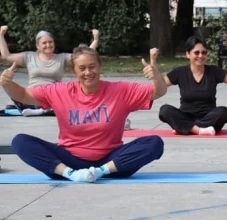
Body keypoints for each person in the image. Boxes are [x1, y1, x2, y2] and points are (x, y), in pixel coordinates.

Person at [0, 46, 166, 182]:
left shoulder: (120, 90)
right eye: (82, 68)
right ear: (74, 71)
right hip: (68, 161)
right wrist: (7, 83)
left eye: (92, 66)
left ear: (99, 66)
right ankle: (70, 174)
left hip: (111, 163)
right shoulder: (59, 91)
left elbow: (158, 92)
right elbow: (23, 95)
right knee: (20, 142)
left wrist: (156, 77)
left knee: (154, 143)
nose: (88, 72)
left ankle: (99, 172)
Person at [0, 25, 100, 115]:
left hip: (53, 95)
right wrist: (1, 35)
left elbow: (83, 56)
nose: (48, 45)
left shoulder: (62, 58)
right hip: (33, 94)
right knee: (15, 94)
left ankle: (40, 110)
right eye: (44, 43)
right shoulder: (29, 57)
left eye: (50, 42)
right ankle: (43, 110)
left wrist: (95, 40)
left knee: (70, 97)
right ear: (37, 46)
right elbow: (6, 56)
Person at [157, 36, 227, 136]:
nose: (200, 56)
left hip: (209, 117)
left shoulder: (213, 71)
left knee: (223, 112)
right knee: (165, 110)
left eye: (204, 52)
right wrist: (153, 62)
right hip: (186, 116)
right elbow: (160, 85)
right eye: (196, 52)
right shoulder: (180, 72)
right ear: (188, 54)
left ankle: (184, 128)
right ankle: (198, 130)